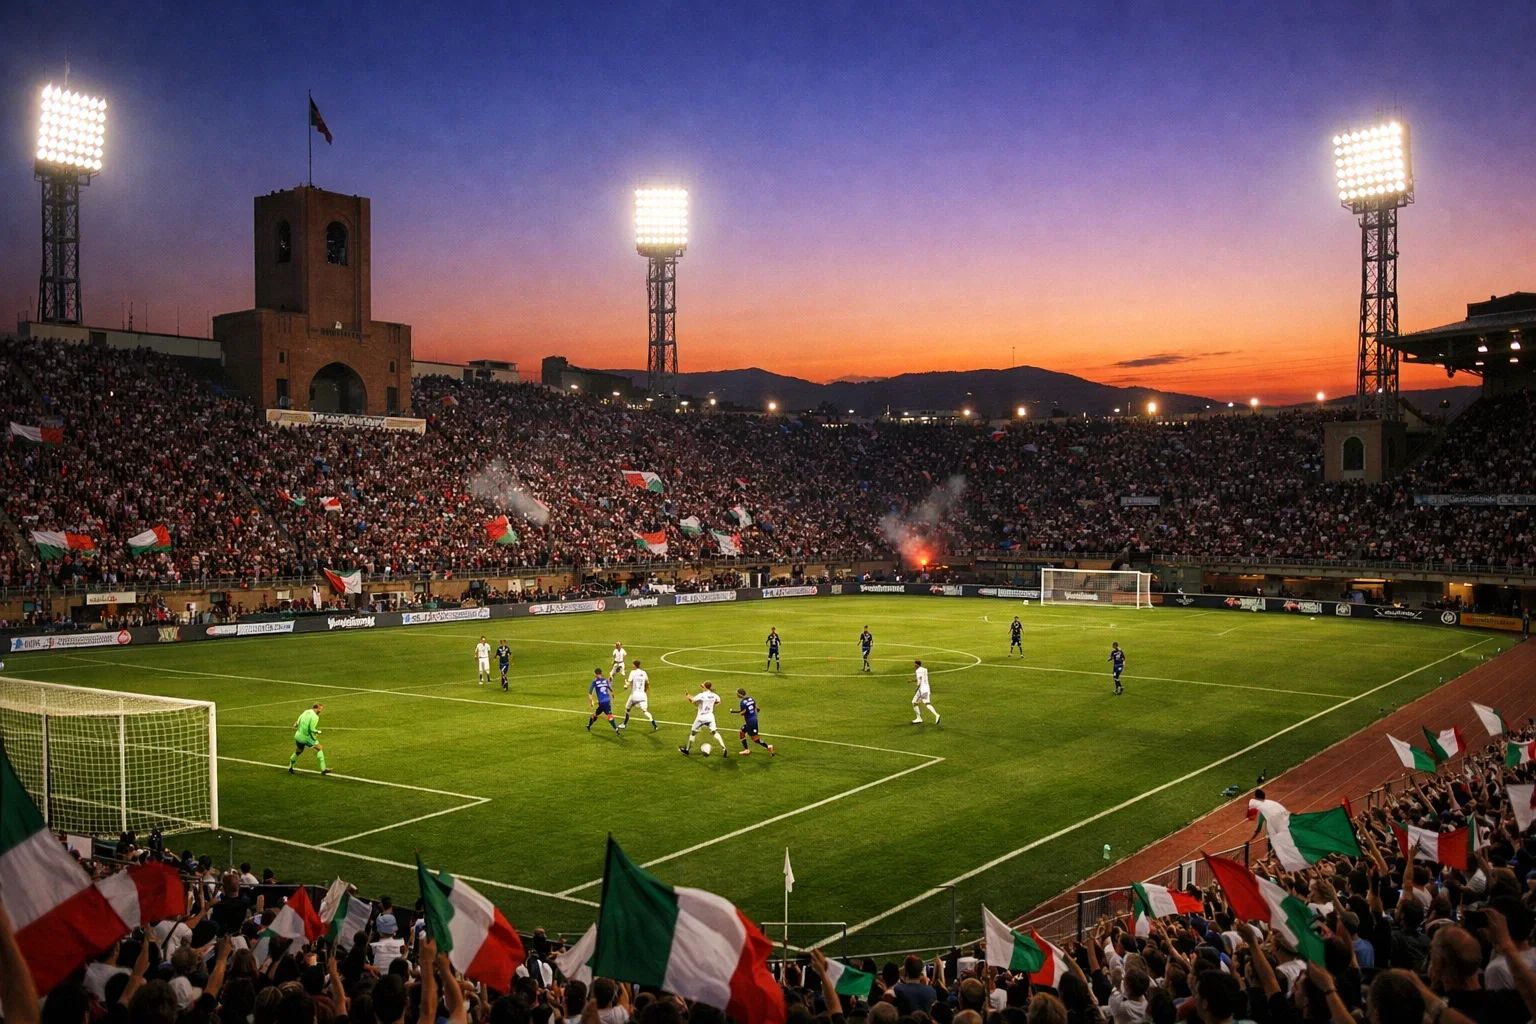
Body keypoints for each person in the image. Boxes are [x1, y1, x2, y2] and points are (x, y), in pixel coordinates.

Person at [680, 681, 727, 756]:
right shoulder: (714, 695)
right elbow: (718, 702)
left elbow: (692, 700)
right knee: (714, 732)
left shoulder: (701, 695)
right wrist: (711, 705)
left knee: (693, 733)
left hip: (701, 717)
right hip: (710, 716)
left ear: (704, 687)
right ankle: (724, 748)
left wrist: (687, 695)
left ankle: (687, 750)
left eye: (702, 686)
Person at [289, 703, 330, 774]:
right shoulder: (315, 717)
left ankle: (290, 767)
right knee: (319, 748)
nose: (321, 710)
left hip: (298, 735)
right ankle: (323, 769)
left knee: (299, 750)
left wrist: (297, 724)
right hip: (306, 737)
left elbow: (298, 720)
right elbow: (311, 729)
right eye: (320, 709)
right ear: (316, 708)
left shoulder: (306, 711)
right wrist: (318, 732)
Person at [733, 688, 775, 756]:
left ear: (739, 694)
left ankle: (769, 747)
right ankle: (746, 750)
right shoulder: (750, 699)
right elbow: (757, 708)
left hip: (751, 722)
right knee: (742, 732)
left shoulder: (742, 702)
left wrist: (741, 713)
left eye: (737, 693)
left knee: (755, 739)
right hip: (753, 720)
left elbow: (743, 712)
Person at [621, 659, 657, 731]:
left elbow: (628, 682)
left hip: (634, 696)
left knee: (627, 709)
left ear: (634, 665)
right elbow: (647, 683)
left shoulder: (633, 672)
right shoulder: (644, 673)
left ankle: (624, 724)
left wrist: (625, 685)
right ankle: (654, 723)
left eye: (632, 665)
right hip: (643, 695)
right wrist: (645, 691)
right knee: (645, 711)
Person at [587, 669, 621, 735]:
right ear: (601, 673)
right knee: (601, 714)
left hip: (602, 703)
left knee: (599, 715)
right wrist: (613, 697)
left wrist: (591, 702)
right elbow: (611, 690)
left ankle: (589, 725)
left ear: (595, 674)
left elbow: (590, 693)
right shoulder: (605, 680)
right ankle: (616, 729)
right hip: (607, 701)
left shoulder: (594, 682)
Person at [911, 660, 940, 725]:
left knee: (916, 702)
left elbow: (919, 680)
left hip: (922, 689)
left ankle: (921, 718)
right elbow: (922, 678)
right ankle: (935, 715)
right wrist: (912, 681)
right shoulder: (924, 669)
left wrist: (917, 688)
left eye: (915, 665)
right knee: (922, 702)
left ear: (917, 665)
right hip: (927, 688)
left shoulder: (918, 671)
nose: (914, 666)